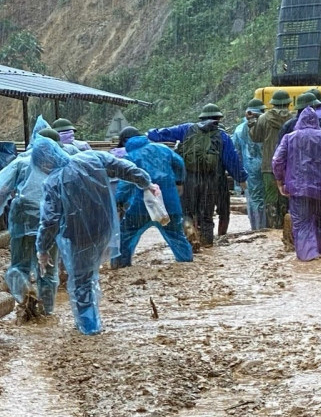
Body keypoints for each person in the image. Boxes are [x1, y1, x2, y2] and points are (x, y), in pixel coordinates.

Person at [33, 136, 155, 334]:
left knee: (81, 280)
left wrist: (42, 248)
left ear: (45, 161)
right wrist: (146, 182)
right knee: (90, 275)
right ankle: (90, 318)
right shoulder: (91, 158)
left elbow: (50, 221)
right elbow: (124, 168)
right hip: (105, 228)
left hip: (78, 236)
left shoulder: (54, 182)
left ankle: (89, 327)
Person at [0, 126, 63, 313]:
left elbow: (2, 189)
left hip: (23, 215)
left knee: (20, 264)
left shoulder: (22, 162)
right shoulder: (62, 165)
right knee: (48, 269)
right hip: (50, 218)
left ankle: (25, 294)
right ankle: (46, 312)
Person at [148, 104, 245, 247]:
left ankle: (189, 231)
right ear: (218, 119)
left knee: (187, 211)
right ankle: (207, 245)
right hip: (211, 181)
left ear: (201, 117)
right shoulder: (222, 136)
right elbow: (232, 161)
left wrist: (149, 132)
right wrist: (242, 178)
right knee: (206, 216)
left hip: (188, 178)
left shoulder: (186, 129)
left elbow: (155, 135)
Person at [271, 105, 321, 261]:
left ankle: (309, 258)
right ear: (316, 121)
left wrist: (280, 181)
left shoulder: (289, 138)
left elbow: (277, 161)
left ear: (299, 121)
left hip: (298, 188)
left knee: (302, 223)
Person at [113, 129, 193, 266]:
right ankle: (187, 262)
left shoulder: (130, 157)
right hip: (168, 204)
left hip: (140, 206)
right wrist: (179, 182)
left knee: (126, 235)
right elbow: (179, 163)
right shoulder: (163, 149)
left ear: (125, 142)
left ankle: (120, 265)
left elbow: (125, 184)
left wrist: (119, 201)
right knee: (177, 236)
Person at [251, 89, 292, 229]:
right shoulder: (292, 119)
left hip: (269, 165)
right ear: (288, 103)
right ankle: (285, 226)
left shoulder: (264, 118)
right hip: (288, 166)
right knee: (286, 197)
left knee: (270, 198)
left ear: (273, 103)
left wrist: (252, 124)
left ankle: (272, 228)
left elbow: (255, 137)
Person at [233, 99, 267, 231]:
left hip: (249, 170)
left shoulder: (238, 130)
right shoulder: (266, 125)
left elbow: (236, 154)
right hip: (267, 167)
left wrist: (238, 180)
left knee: (253, 200)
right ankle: (268, 227)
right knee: (268, 198)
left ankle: (256, 228)